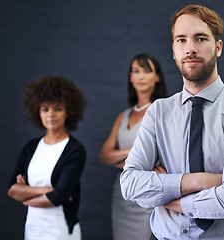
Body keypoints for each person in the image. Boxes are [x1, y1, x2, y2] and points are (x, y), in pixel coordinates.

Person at [120, 5, 224, 240]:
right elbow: (130, 184)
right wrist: (197, 181)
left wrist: (170, 196)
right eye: (181, 40)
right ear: (174, 51)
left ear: (218, 47)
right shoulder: (158, 111)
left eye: (200, 38)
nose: (190, 49)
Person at [8, 75, 87, 240]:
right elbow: (12, 189)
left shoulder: (75, 150)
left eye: (57, 108)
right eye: (45, 109)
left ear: (68, 112)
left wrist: (26, 197)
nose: (51, 114)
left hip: (61, 230)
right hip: (32, 228)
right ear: (38, 112)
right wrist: (46, 190)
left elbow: (57, 198)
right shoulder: (30, 147)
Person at [99, 53, 168, 240]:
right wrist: (135, 154)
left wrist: (125, 160)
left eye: (147, 71)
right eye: (136, 71)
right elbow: (105, 156)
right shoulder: (124, 115)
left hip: (147, 192)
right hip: (122, 194)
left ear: (157, 77)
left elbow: (161, 156)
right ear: (130, 77)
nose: (141, 76)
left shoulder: (162, 111)